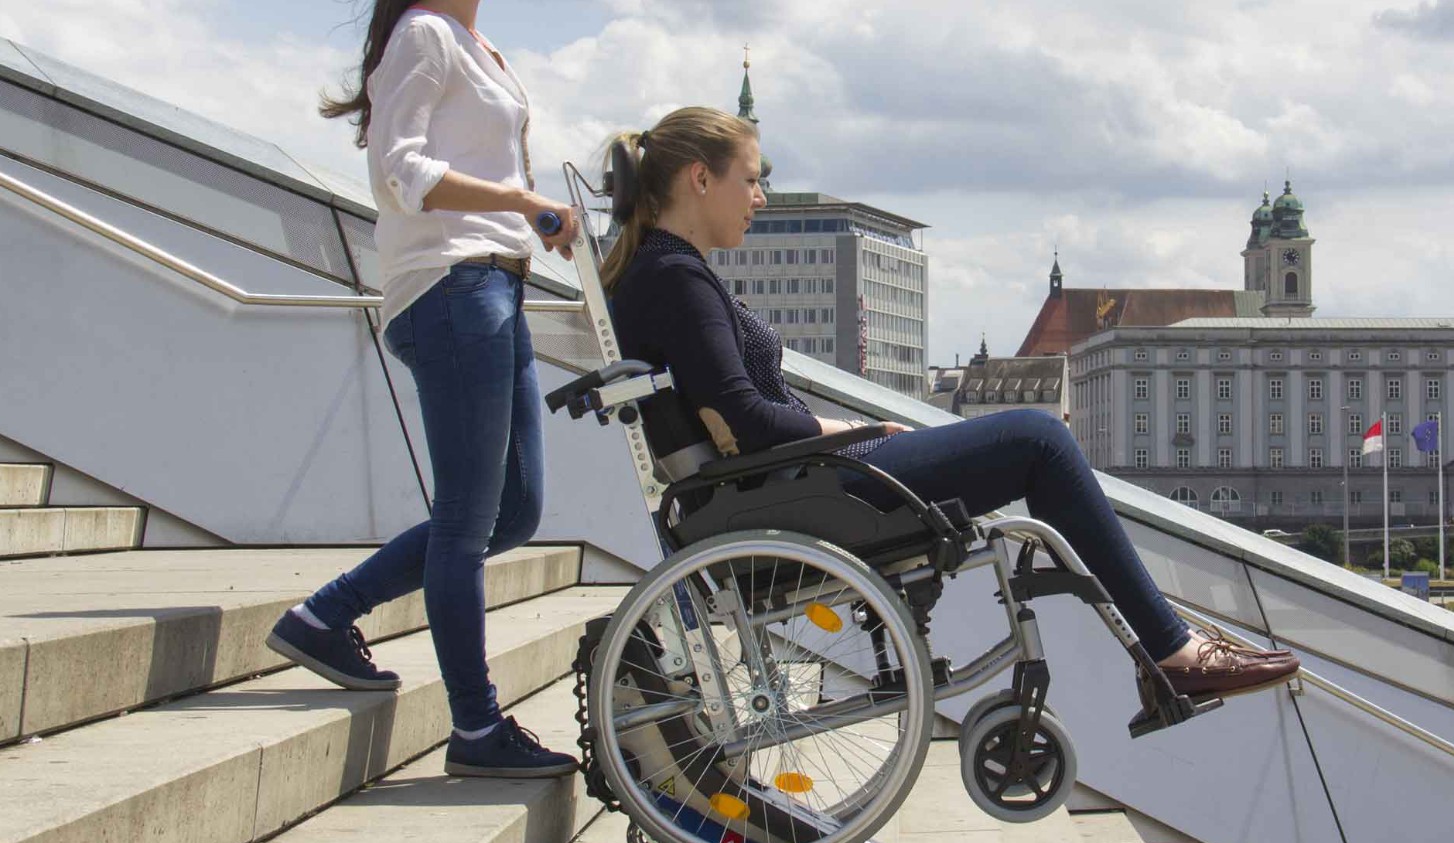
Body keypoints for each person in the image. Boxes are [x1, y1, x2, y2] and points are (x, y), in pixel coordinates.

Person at [603, 106, 1299, 700]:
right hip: (801, 489)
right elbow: (748, 421)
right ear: (701, 179)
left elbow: (737, 416)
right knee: (1038, 439)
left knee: (1030, 442)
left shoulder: (666, 273)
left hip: (786, 487)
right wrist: (848, 428)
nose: (758, 199)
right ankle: (1171, 651)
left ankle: (1168, 643)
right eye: (750, 181)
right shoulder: (678, 280)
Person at [265, 0, 581, 777]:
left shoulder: (478, 44)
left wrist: (536, 223)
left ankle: (324, 615)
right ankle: (475, 729)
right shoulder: (423, 34)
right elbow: (400, 171)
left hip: (498, 283)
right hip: (450, 286)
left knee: (515, 510)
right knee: (469, 521)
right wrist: (523, 204)